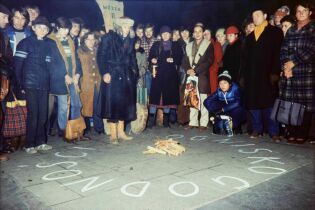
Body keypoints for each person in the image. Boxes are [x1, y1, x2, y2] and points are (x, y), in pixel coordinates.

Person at [240, 7, 284, 141]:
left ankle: (274, 132)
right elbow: (244, 59)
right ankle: (257, 129)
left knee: (269, 103)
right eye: (253, 16)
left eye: (258, 15)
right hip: (252, 75)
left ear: (265, 16)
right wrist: (242, 76)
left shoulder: (275, 32)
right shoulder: (250, 37)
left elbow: (278, 53)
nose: (255, 18)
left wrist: (275, 72)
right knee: (253, 103)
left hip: (268, 75)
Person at [14, 16, 53, 154]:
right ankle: (29, 144)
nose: (42, 30)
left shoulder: (50, 44)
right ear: (34, 28)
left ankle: (41, 142)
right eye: (39, 27)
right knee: (33, 114)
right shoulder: (25, 43)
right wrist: (20, 84)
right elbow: (18, 65)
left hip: (44, 83)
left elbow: (51, 65)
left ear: (48, 31)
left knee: (43, 114)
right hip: (29, 83)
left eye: (45, 28)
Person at [97, 17, 138, 144]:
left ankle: (121, 132)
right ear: (119, 27)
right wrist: (105, 73)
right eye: (124, 27)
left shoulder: (130, 40)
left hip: (126, 75)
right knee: (113, 105)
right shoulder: (108, 38)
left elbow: (132, 57)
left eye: (129, 27)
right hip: (112, 74)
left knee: (124, 104)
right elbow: (101, 56)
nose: (127, 30)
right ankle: (113, 134)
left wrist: (135, 72)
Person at [279, 2, 315, 144]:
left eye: (304, 10)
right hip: (290, 73)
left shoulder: (313, 28)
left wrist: (293, 62)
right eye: (298, 11)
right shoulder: (292, 30)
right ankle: (292, 132)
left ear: (310, 12)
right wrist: (285, 67)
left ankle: (302, 134)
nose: (300, 13)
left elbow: (311, 50)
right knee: (291, 103)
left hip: (306, 73)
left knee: (305, 105)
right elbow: (283, 49)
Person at [48, 17, 83, 139]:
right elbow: (54, 62)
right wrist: (64, 75)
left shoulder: (70, 40)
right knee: (63, 106)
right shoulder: (51, 40)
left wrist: (77, 74)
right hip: (59, 78)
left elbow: (75, 58)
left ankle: (75, 131)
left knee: (77, 104)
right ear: (57, 27)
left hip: (72, 77)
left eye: (67, 29)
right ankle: (63, 131)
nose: (66, 31)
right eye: (63, 29)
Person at [147, 26, 183, 128]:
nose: (165, 35)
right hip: (158, 74)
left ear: (170, 34)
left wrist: (174, 60)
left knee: (168, 98)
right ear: (161, 35)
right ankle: (151, 120)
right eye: (163, 33)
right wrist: (153, 59)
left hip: (170, 75)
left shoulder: (175, 45)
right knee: (155, 98)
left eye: (167, 33)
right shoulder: (156, 44)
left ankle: (166, 121)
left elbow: (180, 58)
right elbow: (151, 56)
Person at [182, 23, 214, 131]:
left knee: (203, 99)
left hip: (202, 76)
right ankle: (193, 122)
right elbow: (185, 60)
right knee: (192, 99)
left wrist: (195, 70)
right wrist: (188, 69)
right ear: (193, 33)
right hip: (191, 75)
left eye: (199, 31)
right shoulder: (189, 45)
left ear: (203, 33)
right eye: (195, 31)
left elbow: (209, 61)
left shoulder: (208, 44)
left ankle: (204, 123)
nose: (197, 33)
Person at [78, 32, 104, 135]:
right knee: (85, 105)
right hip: (85, 83)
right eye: (88, 39)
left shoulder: (98, 51)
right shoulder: (80, 51)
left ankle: (99, 128)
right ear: (84, 40)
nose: (91, 42)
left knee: (98, 105)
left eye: (93, 39)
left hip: (97, 82)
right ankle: (84, 128)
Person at [204, 71, 244, 136]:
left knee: (238, 109)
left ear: (230, 84)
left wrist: (222, 109)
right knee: (220, 128)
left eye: (225, 83)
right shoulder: (219, 90)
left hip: (235, 110)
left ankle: (237, 126)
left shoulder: (236, 88)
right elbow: (207, 101)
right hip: (225, 110)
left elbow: (237, 103)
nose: (222, 86)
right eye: (220, 83)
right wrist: (212, 111)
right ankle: (220, 121)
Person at [0, 4, 12, 161]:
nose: (6, 20)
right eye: (3, 16)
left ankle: (1, 147)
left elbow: (7, 57)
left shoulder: (3, 35)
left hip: (2, 77)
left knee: (1, 115)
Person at [204, 28, 223, 94]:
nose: (206, 35)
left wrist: (213, 69)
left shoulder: (216, 44)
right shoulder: (202, 45)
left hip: (212, 71)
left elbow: (218, 59)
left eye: (208, 34)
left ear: (211, 35)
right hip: (203, 72)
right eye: (204, 34)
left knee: (213, 89)